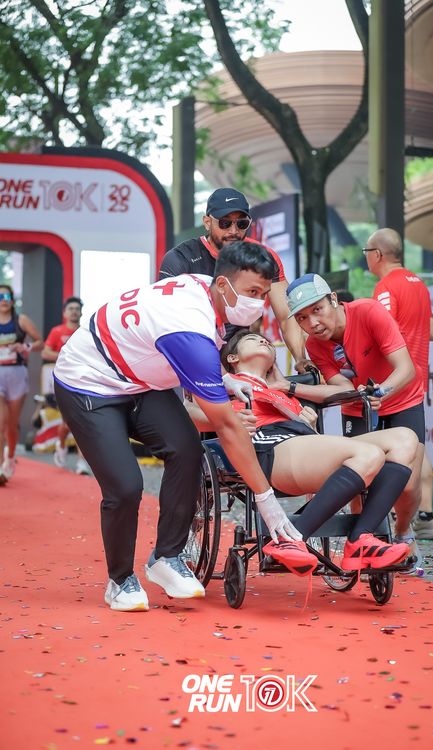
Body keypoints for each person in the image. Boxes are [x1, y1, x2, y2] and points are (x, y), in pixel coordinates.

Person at [53, 242, 306, 613]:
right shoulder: (188, 326)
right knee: (126, 486)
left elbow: (189, 352)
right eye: (252, 292)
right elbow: (226, 426)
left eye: (264, 294)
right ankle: (119, 581)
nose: (258, 303)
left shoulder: (203, 287)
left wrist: (222, 378)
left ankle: (166, 557)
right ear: (224, 284)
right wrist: (266, 500)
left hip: (138, 379)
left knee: (187, 448)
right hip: (87, 381)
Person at [186, 329, 417, 573]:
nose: (263, 340)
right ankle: (293, 538)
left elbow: (314, 439)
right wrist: (226, 419)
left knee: (405, 439)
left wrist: (307, 422)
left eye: (266, 340)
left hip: (299, 445)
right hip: (265, 446)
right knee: (369, 454)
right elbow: (189, 412)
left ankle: (361, 538)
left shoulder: (283, 394)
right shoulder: (222, 384)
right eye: (253, 339)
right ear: (232, 358)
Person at [285, 273, 425, 571]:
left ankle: (403, 532)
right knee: (361, 476)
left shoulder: (369, 311)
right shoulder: (315, 345)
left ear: (334, 299)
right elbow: (341, 388)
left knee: (409, 485)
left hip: (403, 396)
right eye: (302, 318)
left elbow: (406, 368)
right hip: (358, 405)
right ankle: (365, 544)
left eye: (317, 310)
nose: (313, 323)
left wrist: (382, 392)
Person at [158, 187, 307, 369]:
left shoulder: (264, 257)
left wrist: (301, 359)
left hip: (236, 347)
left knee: (259, 352)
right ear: (207, 222)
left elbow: (286, 316)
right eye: (225, 223)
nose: (234, 231)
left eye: (242, 224)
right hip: (190, 344)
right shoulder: (180, 259)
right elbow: (168, 323)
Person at [366, 227, 433, 541]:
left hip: (393, 384)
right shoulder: (419, 284)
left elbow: (381, 332)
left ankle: (391, 524)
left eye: (366, 252)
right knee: (417, 450)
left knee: (391, 454)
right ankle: (424, 515)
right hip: (416, 380)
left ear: (377, 254)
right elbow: (432, 332)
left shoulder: (386, 286)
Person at [42, 296, 91, 475]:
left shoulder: (86, 331)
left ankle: (81, 462)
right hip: (63, 380)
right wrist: (66, 355)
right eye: (71, 309)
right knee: (68, 422)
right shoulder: (57, 331)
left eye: (77, 309)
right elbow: (45, 353)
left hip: (83, 381)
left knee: (82, 420)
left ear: (81, 312)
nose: (74, 312)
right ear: (64, 313)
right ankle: (61, 444)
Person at [0, 284, 43, 484]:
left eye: (7, 296)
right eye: (0, 297)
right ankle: (1, 466)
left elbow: (40, 342)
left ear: (12, 299)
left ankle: (10, 458)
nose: (3, 300)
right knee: (0, 422)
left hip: (17, 373)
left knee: (11, 424)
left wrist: (24, 346)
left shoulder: (21, 320)